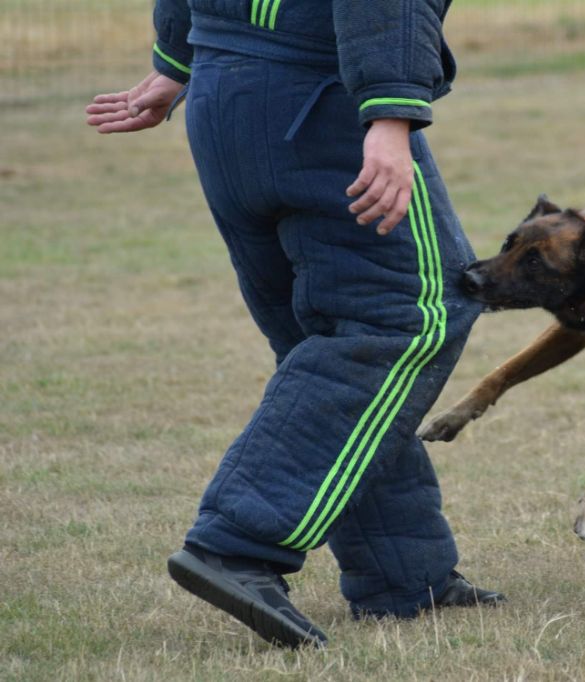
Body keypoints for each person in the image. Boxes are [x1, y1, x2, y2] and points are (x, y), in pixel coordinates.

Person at [86, 0, 503, 648]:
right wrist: (391, 114)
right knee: (413, 314)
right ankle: (238, 542)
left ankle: (403, 575)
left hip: (221, 100)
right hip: (319, 103)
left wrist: (177, 59)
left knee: (325, 339)